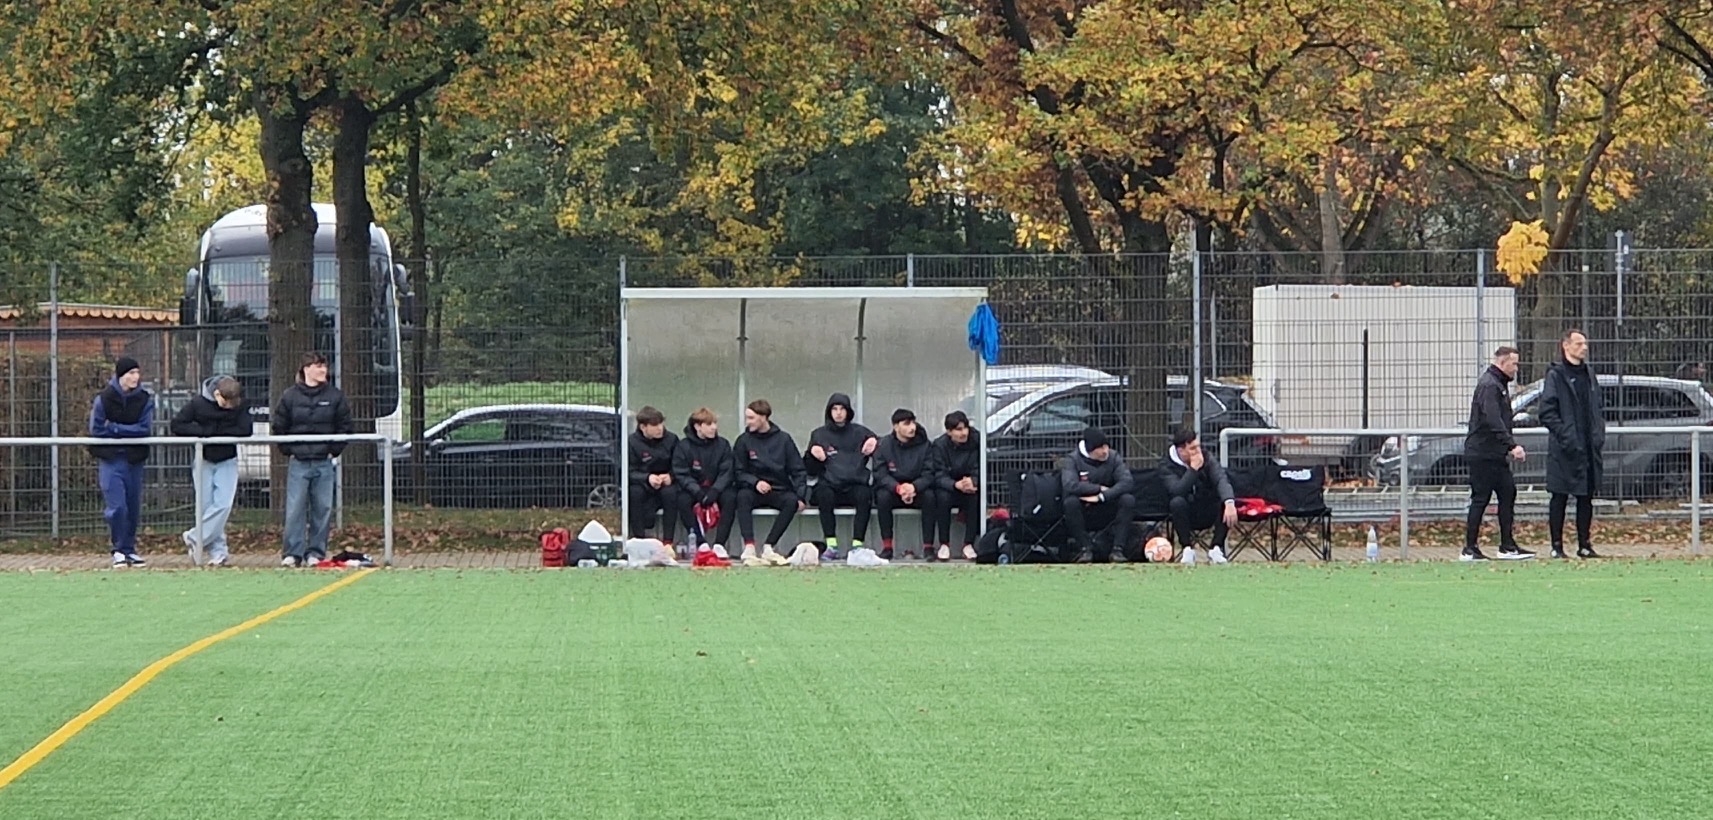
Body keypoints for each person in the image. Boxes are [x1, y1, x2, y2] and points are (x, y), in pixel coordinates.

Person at [273, 351, 353, 568]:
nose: (323, 370)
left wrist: (333, 450)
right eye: (318, 366)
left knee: (323, 509)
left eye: (324, 366)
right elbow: (279, 425)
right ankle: (292, 553)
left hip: (323, 462)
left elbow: (345, 425)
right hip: (299, 462)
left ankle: (316, 553)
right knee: (295, 509)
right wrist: (290, 450)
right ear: (306, 369)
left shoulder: (335, 396)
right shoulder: (290, 396)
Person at [170, 375, 252, 566]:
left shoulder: (239, 403)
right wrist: (203, 432)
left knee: (223, 505)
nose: (229, 407)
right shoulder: (198, 403)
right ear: (216, 394)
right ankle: (218, 552)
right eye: (225, 402)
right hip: (204, 460)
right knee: (206, 507)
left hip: (227, 460)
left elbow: (245, 429)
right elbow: (178, 425)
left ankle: (195, 537)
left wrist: (219, 432)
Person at [1538, 329, 1605, 559]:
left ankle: (1584, 544)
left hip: (1588, 448)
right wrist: (1566, 436)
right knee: (1560, 496)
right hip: (1564, 450)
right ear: (1565, 346)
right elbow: (1547, 412)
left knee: (1586, 497)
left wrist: (1598, 434)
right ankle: (1556, 546)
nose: (1584, 348)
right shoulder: (1556, 375)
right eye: (1578, 343)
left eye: (1585, 343)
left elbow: (1597, 408)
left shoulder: (1589, 374)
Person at [1463, 345, 1531, 561]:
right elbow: (1493, 419)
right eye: (1514, 364)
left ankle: (1507, 545)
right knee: (1481, 498)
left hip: (1493, 454)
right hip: (1483, 453)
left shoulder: (1497, 384)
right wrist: (1511, 445)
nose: (1516, 368)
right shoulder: (1490, 386)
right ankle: (1470, 548)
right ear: (1503, 362)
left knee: (1507, 492)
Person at [89, 356, 154, 567]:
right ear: (120, 376)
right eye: (131, 373)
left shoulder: (144, 399)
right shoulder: (104, 399)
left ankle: (129, 549)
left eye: (137, 373)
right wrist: (126, 432)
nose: (136, 377)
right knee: (117, 507)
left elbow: (144, 429)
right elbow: (97, 429)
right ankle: (118, 549)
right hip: (111, 459)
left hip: (134, 459)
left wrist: (115, 428)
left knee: (132, 507)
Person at [734, 399, 808, 564]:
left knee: (791, 501)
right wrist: (755, 482)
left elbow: (798, 470)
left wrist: (801, 496)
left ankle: (769, 547)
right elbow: (738, 472)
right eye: (747, 418)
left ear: (763, 417)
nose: (748, 422)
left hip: (779, 490)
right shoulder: (743, 441)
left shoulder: (784, 439)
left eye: (751, 418)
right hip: (753, 490)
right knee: (742, 496)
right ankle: (749, 547)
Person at [805, 392, 878, 558]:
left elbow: (884, 450)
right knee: (823, 494)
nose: (838, 413)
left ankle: (857, 546)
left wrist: (875, 442)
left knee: (865, 495)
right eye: (834, 409)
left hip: (855, 483)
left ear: (848, 411)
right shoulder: (819, 434)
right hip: (830, 484)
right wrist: (812, 455)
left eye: (842, 409)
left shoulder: (861, 432)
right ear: (829, 412)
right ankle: (831, 545)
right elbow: (810, 470)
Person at [1158, 428, 1237, 565]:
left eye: (1198, 446)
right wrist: (1193, 470)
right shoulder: (1166, 465)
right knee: (1177, 502)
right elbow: (1177, 491)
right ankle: (1187, 549)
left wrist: (1229, 502)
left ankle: (1216, 548)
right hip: (1185, 513)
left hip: (1206, 507)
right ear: (1181, 451)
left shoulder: (1206, 457)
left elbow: (1220, 478)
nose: (1198, 451)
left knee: (1224, 502)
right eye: (1192, 448)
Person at [872, 408, 940, 560]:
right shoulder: (884, 445)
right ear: (896, 427)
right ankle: (887, 547)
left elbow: (929, 473)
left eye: (913, 423)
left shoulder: (925, 445)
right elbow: (880, 474)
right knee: (882, 496)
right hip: (894, 490)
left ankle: (928, 547)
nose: (912, 427)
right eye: (907, 423)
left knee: (930, 497)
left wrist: (914, 487)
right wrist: (898, 488)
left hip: (918, 490)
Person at [1061, 428, 1137, 563]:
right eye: (1100, 448)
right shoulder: (1072, 460)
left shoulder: (1114, 457)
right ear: (1090, 450)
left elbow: (1127, 482)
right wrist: (1097, 489)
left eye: (1106, 446)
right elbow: (1070, 485)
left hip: (1109, 504)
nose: (1105, 451)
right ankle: (1085, 549)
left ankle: (1118, 550)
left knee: (1128, 500)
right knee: (1070, 503)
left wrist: (1104, 496)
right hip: (1084, 507)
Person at [673, 407, 737, 556]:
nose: (714, 427)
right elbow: (681, 473)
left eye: (715, 423)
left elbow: (727, 471)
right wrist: (697, 491)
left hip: (717, 489)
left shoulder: (723, 445)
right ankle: (700, 543)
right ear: (697, 426)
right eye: (709, 424)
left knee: (731, 498)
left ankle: (720, 544)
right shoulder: (683, 446)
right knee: (682, 500)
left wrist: (715, 490)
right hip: (694, 489)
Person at [930, 410, 982, 560]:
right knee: (942, 497)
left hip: (969, 485)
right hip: (949, 486)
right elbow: (937, 473)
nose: (963, 433)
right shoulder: (939, 445)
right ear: (949, 432)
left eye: (965, 428)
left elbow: (981, 466)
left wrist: (974, 480)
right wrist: (954, 484)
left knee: (974, 497)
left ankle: (968, 544)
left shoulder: (977, 441)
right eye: (958, 429)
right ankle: (944, 544)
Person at [627, 406, 681, 544]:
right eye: (655, 425)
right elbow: (629, 471)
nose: (660, 428)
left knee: (670, 494)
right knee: (634, 492)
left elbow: (680, 465)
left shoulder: (672, 440)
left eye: (661, 424)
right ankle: (639, 539)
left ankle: (668, 541)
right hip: (643, 484)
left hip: (666, 483)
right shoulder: (632, 442)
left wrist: (671, 476)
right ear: (643, 427)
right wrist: (647, 478)